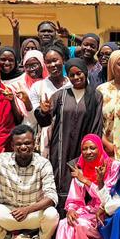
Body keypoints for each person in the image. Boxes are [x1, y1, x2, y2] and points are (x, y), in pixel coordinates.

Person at [34, 58, 103, 205]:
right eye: (72, 75)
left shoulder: (96, 96)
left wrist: (91, 151)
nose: (76, 78)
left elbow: (97, 125)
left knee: (82, 180)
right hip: (61, 148)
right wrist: (44, 112)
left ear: (85, 72)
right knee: (61, 179)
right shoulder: (60, 95)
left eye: (79, 74)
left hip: (84, 150)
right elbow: (44, 122)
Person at [51, 134, 119, 239]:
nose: (88, 152)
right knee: (66, 222)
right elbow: (74, 197)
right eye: (85, 149)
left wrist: (86, 181)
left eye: (92, 148)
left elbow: (109, 197)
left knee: (80, 224)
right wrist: (70, 210)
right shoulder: (80, 169)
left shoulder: (113, 167)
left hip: (108, 210)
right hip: (90, 210)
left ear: (100, 148)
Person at [29, 46, 70, 153]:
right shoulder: (37, 87)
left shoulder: (73, 84)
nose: (52, 65)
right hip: (47, 140)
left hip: (71, 136)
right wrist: (43, 111)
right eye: (48, 62)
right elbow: (35, 117)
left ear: (63, 59)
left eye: (55, 60)